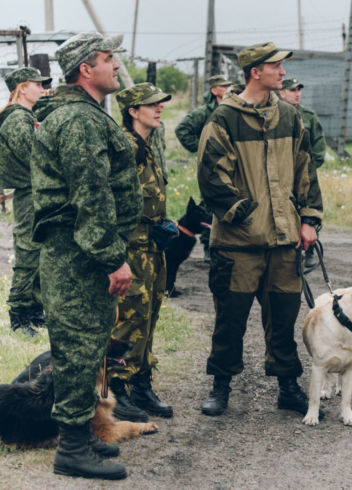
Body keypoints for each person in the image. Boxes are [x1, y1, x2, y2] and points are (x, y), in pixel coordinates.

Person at [30, 32, 142, 480]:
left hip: (80, 253)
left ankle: (81, 435)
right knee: (78, 350)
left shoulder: (86, 114)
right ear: (85, 69)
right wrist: (111, 258)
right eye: (108, 58)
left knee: (87, 345)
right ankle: (72, 450)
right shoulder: (77, 120)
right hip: (79, 256)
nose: (116, 66)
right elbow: (90, 197)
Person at [197, 42, 323, 417]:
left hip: (284, 244)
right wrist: (247, 216)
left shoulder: (288, 116)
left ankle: (288, 386)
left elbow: (306, 170)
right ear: (256, 72)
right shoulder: (224, 119)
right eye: (277, 67)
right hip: (238, 245)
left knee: (283, 320)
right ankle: (221, 386)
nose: (283, 73)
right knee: (230, 322)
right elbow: (211, 179)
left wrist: (309, 219)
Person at [108, 82, 174, 423]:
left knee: (149, 313)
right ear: (133, 111)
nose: (159, 108)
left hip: (152, 245)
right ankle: (115, 390)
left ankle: (140, 381)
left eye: (161, 103)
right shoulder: (125, 146)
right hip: (130, 247)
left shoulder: (148, 145)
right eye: (152, 104)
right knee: (128, 318)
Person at [0, 67, 51, 336]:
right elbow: (35, 156)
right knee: (29, 252)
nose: (43, 88)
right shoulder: (18, 119)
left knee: (40, 252)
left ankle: (34, 310)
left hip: (36, 191)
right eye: (38, 84)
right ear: (22, 88)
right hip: (30, 193)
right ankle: (19, 315)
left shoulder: (26, 116)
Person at [175, 74, 231, 263]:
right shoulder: (204, 113)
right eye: (224, 86)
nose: (228, 88)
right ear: (215, 90)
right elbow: (182, 130)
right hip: (211, 167)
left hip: (232, 166)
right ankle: (208, 246)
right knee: (210, 204)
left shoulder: (233, 110)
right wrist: (201, 148)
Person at [279, 77, 326, 268]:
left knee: (308, 208)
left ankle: (310, 251)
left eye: (299, 90)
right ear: (282, 93)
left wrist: (310, 167)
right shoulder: (276, 114)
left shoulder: (309, 116)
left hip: (304, 173)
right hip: (282, 172)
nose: (297, 93)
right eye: (292, 90)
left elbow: (318, 145)